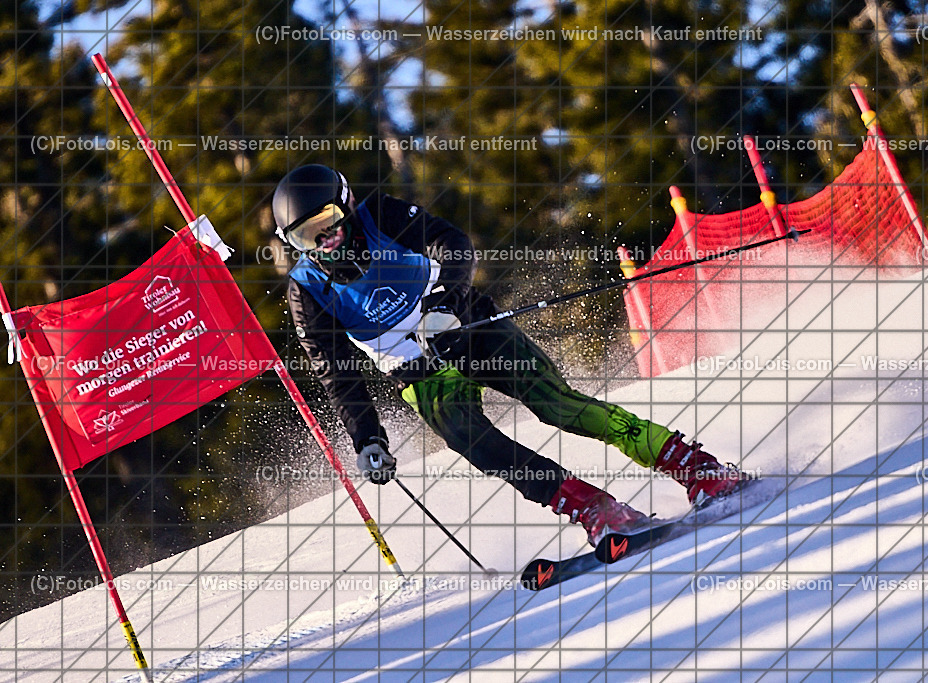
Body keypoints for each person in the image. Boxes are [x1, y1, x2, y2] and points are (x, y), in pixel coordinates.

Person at [272, 164, 749, 546]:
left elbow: (453, 245)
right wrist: (367, 439)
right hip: (416, 370)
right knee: (476, 443)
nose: (324, 241)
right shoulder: (307, 290)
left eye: (328, 224)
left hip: (468, 325)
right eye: (304, 237)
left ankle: (693, 465)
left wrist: (443, 304)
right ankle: (593, 507)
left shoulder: (382, 216)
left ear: (347, 207)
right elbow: (335, 371)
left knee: (556, 404)